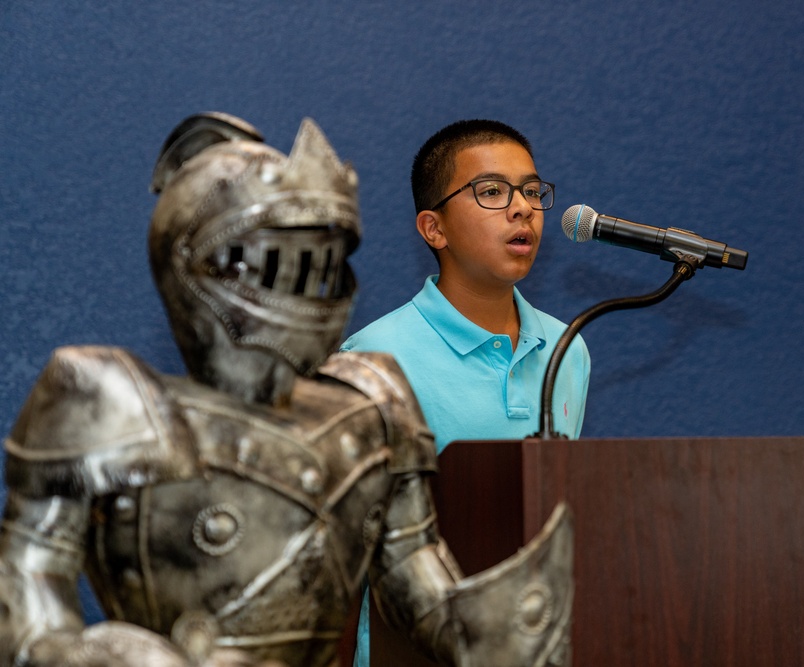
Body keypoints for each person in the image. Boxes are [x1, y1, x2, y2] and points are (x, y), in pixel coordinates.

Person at [0, 112, 573, 667]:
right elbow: (24, 611)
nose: (301, 277)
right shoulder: (104, 397)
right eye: (276, 260)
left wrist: (512, 619)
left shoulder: (372, 399)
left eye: (319, 259)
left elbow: (424, 594)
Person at [341, 120, 591, 665]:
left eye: (531, 190)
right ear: (434, 229)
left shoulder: (568, 349)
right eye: (492, 191)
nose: (522, 207)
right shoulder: (374, 359)